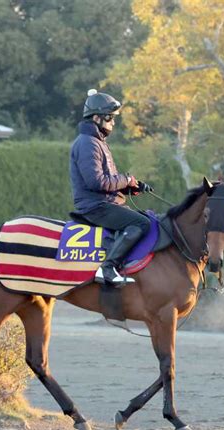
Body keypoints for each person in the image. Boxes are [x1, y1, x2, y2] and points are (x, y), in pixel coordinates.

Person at [69, 89, 154, 287]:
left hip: (103, 202)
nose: (113, 123)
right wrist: (126, 179)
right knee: (142, 223)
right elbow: (96, 182)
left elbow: (107, 182)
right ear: (97, 118)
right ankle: (108, 268)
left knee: (146, 219)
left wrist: (132, 187)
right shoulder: (88, 143)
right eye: (111, 118)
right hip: (95, 206)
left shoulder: (97, 142)